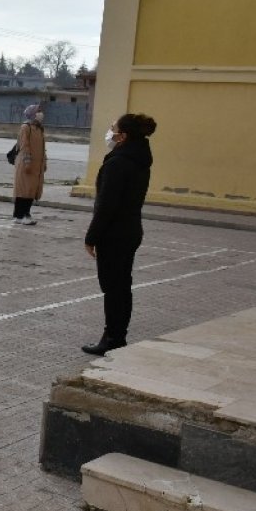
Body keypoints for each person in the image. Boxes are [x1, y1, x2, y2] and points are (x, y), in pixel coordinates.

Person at [82, 114, 157, 356]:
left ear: (123, 136)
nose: (110, 133)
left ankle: (112, 338)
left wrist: (91, 237)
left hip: (114, 234)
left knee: (113, 288)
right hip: (131, 229)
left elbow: (107, 205)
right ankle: (118, 334)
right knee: (123, 286)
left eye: (113, 129)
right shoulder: (139, 159)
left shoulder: (118, 163)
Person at [13, 104, 47, 224]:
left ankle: (26, 213)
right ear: (32, 113)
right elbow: (24, 146)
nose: (41, 113)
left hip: (36, 167)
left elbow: (43, 149)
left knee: (31, 191)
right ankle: (19, 215)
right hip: (26, 165)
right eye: (38, 111)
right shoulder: (26, 127)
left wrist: (44, 162)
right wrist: (27, 163)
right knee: (23, 190)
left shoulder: (39, 129)